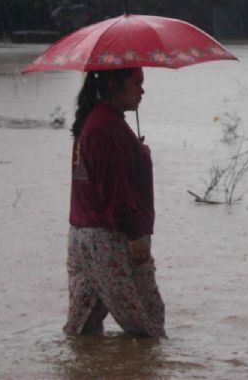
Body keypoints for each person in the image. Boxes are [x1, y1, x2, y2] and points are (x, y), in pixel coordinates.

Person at [63, 67, 166, 338]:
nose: (142, 91)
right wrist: (135, 236)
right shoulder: (106, 127)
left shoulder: (94, 120)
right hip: (112, 239)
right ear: (113, 84)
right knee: (148, 326)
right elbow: (114, 190)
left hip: (83, 236)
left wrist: (134, 150)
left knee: (82, 329)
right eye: (136, 83)